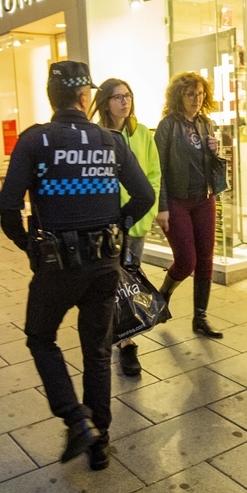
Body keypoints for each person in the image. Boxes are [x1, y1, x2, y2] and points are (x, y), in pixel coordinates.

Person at [0, 61, 154, 472]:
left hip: (56, 264)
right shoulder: (110, 140)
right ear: (85, 98)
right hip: (104, 263)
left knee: (41, 337)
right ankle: (99, 438)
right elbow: (145, 195)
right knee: (98, 349)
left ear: (52, 97)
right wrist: (115, 224)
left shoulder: (35, 141)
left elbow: (8, 206)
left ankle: (75, 418)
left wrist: (28, 245)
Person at [91, 78, 161, 376]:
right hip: (107, 226)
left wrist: (146, 217)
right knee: (109, 286)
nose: (124, 101)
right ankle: (122, 341)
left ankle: (127, 341)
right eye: (118, 97)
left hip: (135, 223)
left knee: (130, 282)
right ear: (105, 102)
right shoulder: (96, 136)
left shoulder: (141, 133)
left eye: (128, 95)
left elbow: (155, 175)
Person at [153, 72, 224, 338]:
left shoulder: (206, 123)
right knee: (186, 260)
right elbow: (157, 168)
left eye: (201, 94)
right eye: (191, 94)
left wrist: (215, 151)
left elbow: (211, 163)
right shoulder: (168, 126)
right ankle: (163, 294)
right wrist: (162, 207)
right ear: (179, 96)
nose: (197, 99)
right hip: (176, 201)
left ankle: (200, 317)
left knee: (206, 260)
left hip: (205, 198)